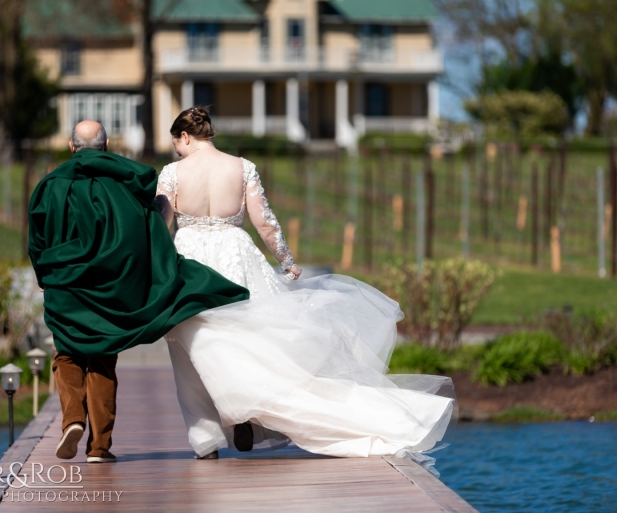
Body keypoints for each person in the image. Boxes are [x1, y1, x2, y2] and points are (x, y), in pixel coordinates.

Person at [156, 107, 456, 473]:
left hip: (191, 262)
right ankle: (246, 415)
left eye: (177, 145)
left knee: (192, 350)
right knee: (255, 344)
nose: (177, 152)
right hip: (237, 257)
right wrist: (286, 261)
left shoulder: (172, 174)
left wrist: (154, 263)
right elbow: (265, 222)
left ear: (184, 137)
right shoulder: (241, 166)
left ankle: (205, 443)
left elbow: (162, 221)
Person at [28, 120, 249, 463]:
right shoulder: (124, 187)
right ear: (105, 147)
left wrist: (46, 276)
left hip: (64, 282)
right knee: (101, 358)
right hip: (107, 287)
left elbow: (37, 241)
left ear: (71, 148)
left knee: (67, 353)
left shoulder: (49, 186)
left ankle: (72, 418)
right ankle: (99, 448)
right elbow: (144, 233)